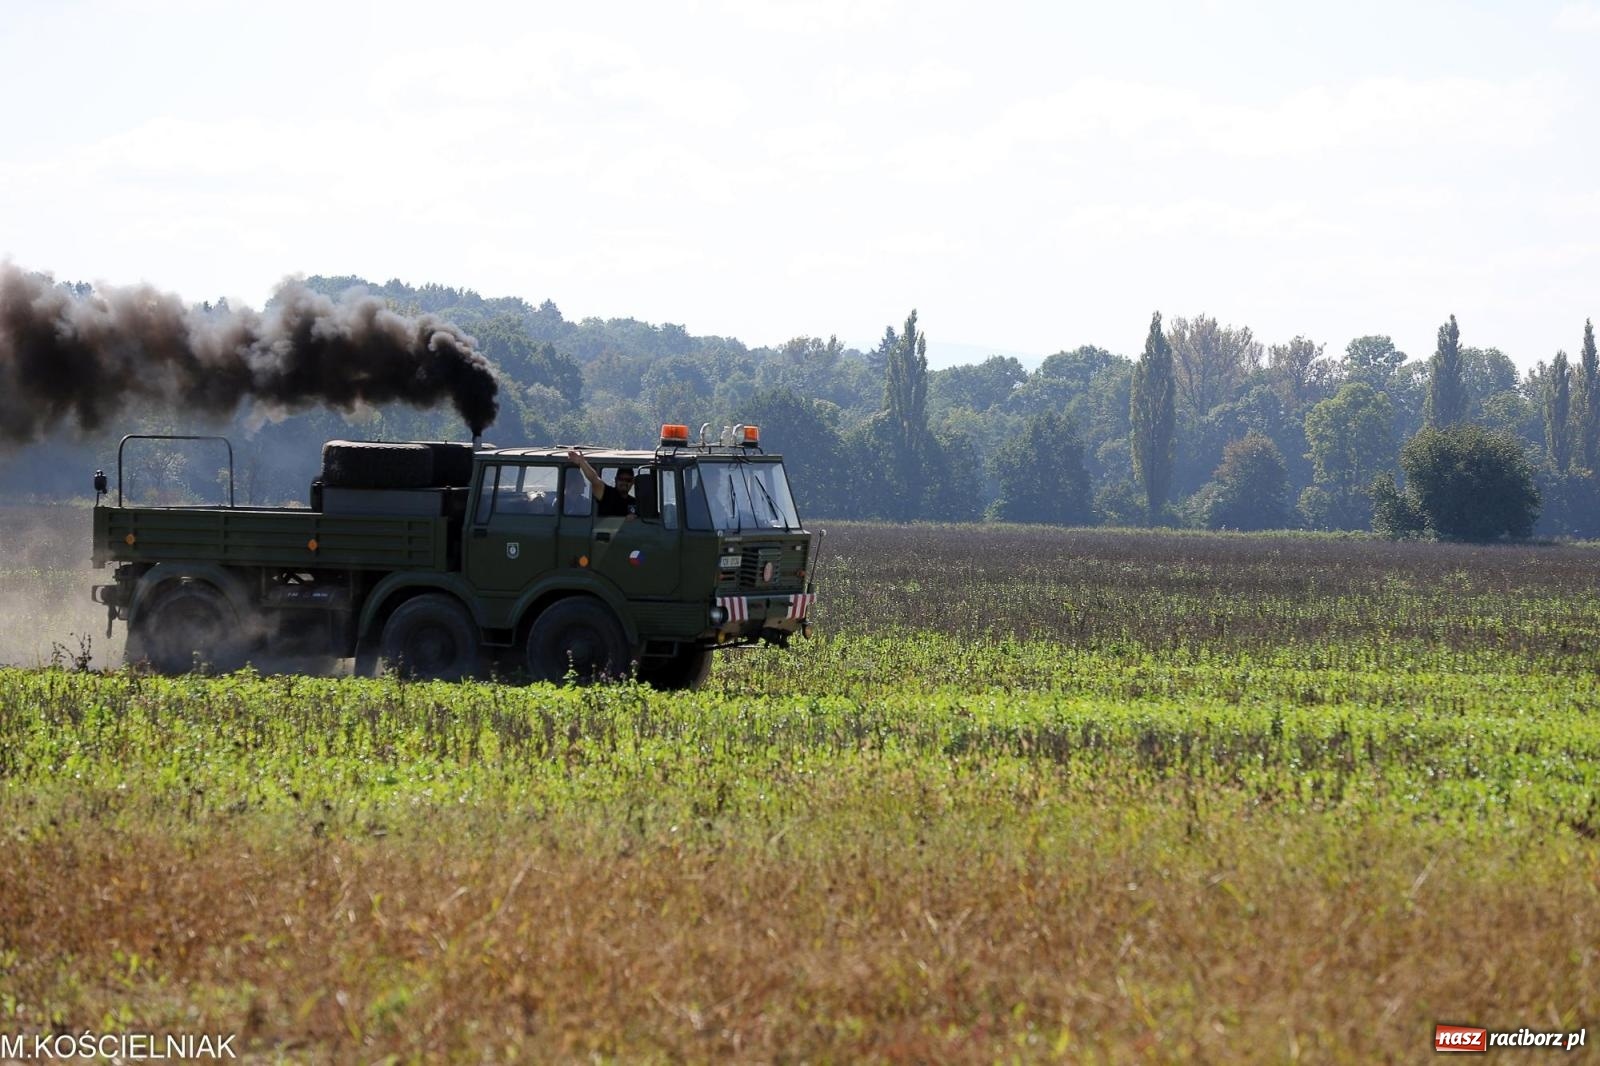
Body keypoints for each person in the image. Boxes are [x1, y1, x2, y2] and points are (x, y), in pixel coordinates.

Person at [567, 449, 637, 518]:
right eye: (621, 479)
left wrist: (634, 519)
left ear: (632, 482)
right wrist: (582, 462)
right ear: (616, 479)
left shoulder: (635, 503)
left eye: (628, 480)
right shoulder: (608, 494)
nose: (624, 482)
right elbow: (594, 479)